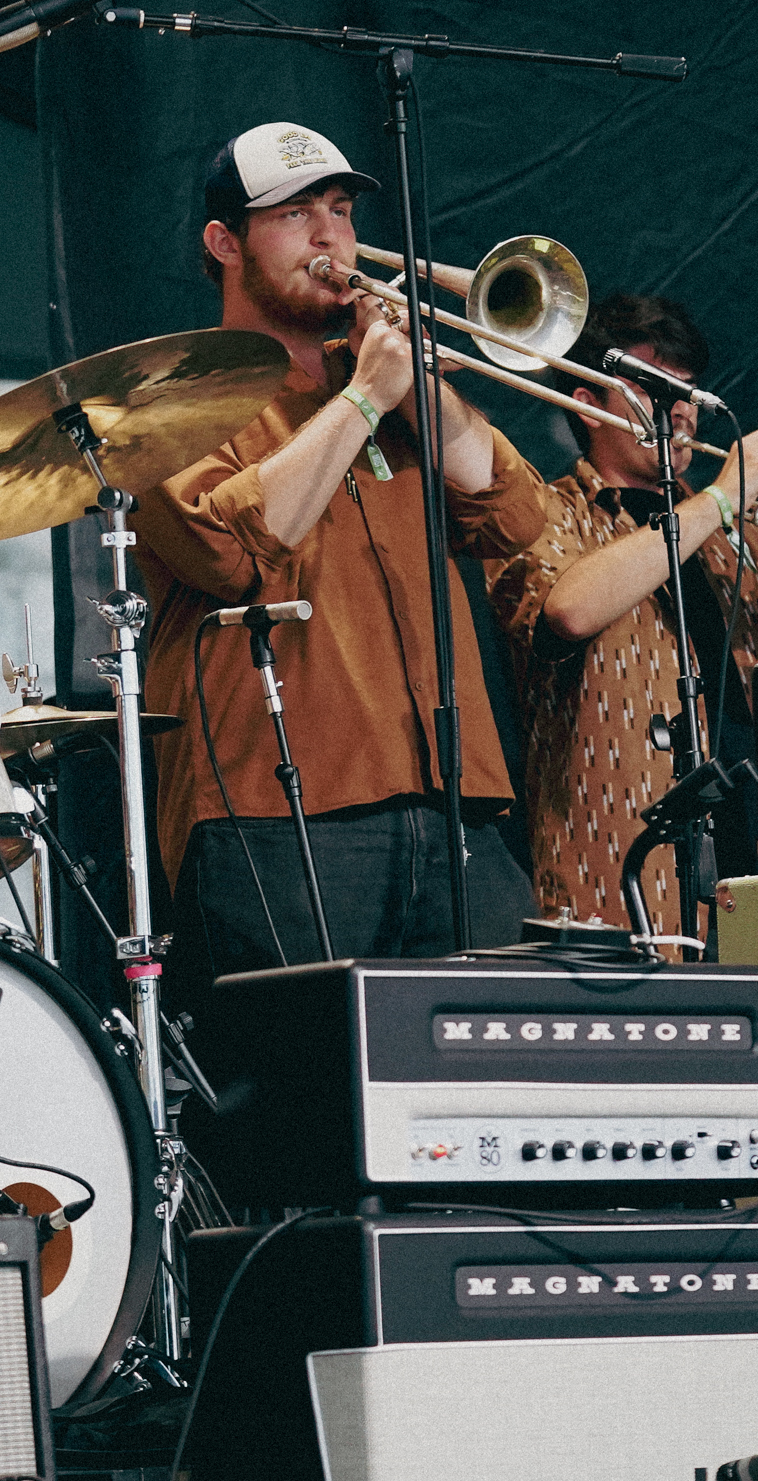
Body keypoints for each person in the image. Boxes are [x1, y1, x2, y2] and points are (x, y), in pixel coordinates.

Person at [135, 121, 546, 985]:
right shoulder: (172, 398)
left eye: (340, 209)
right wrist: (363, 398)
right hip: (275, 816)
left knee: (480, 1095)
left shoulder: (392, 388)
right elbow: (224, 549)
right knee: (304, 1103)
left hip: (454, 805)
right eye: (293, 214)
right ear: (225, 244)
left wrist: (411, 385)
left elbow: (515, 516)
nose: (331, 237)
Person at [485, 295, 758, 925]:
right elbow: (568, 610)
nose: (681, 411)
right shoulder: (543, 513)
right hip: (614, 879)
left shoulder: (741, 538)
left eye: (690, 392)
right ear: (587, 403)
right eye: (653, 388)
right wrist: (723, 496)